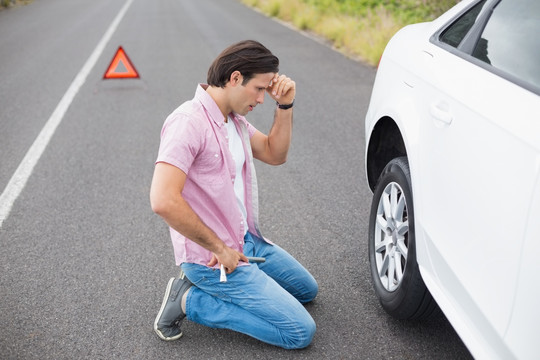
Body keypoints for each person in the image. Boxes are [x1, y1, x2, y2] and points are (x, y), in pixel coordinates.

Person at [149, 40, 318, 350]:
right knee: (299, 332)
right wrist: (220, 249)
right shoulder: (188, 123)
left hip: (245, 241)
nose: (262, 98)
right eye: (259, 89)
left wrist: (285, 104)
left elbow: (274, 153)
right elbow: (162, 199)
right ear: (236, 78)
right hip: (213, 257)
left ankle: (237, 284)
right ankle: (188, 299)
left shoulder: (234, 119)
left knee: (307, 290)